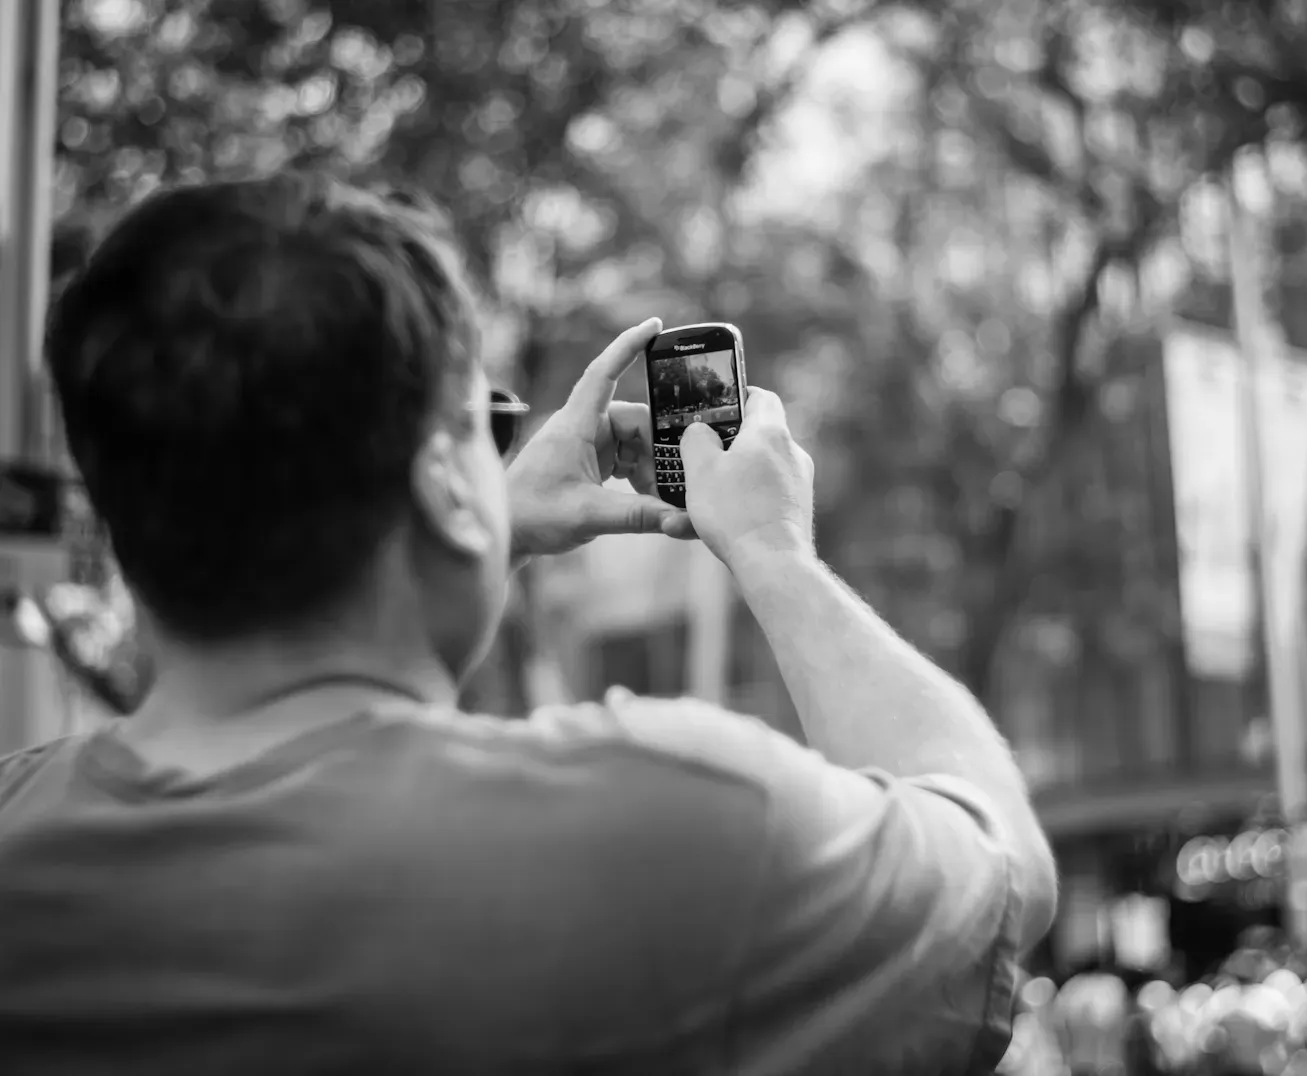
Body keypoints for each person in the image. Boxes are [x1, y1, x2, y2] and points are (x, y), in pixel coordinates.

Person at [0, 173, 1057, 1074]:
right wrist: (776, 554)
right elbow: (1000, 864)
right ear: (440, 479)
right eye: (486, 424)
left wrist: (464, 522)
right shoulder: (668, 823)